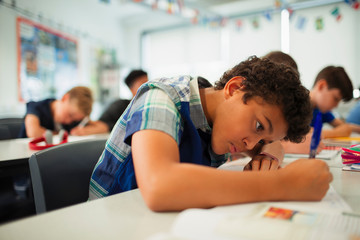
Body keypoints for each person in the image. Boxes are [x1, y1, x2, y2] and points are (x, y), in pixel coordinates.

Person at [89, 56, 332, 211]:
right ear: (234, 88)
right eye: (259, 126)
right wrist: (283, 184)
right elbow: (158, 186)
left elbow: (275, 146)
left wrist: (269, 151)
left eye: (262, 139)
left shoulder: (222, 119)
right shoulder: (164, 98)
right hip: (110, 223)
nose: (252, 143)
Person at [70, 70, 148, 135]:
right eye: (143, 83)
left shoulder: (147, 108)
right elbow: (100, 123)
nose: (148, 86)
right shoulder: (120, 105)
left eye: (148, 82)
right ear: (131, 89)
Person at [19, 86, 93, 138]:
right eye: (70, 115)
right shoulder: (36, 107)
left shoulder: (73, 118)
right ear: (65, 98)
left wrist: (84, 131)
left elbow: (102, 126)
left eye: (74, 120)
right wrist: (62, 135)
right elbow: (33, 133)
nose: (68, 121)